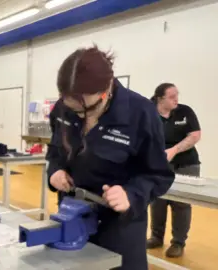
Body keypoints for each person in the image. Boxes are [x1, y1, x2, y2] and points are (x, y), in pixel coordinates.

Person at [46, 46, 174, 270]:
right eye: (73, 110)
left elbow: (159, 174)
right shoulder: (62, 109)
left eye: (86, 109)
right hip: (71, 219)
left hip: (119, 228)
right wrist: (54, 171)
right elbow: (56, 150)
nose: (80, 117)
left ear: (106, 90)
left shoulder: (140, 113)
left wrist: (131, 195)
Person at [147, 83, 201, 258]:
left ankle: (178, 242)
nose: (176, 99)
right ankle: (156, 237)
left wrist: (174, 150)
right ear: (160, 98)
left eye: (177, 95)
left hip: (186, 163)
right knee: (158, 201)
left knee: (181, 204)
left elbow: (195, 135)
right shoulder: (148, 112)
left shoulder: (185, 111)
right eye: (171, 96)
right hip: (159, 164)